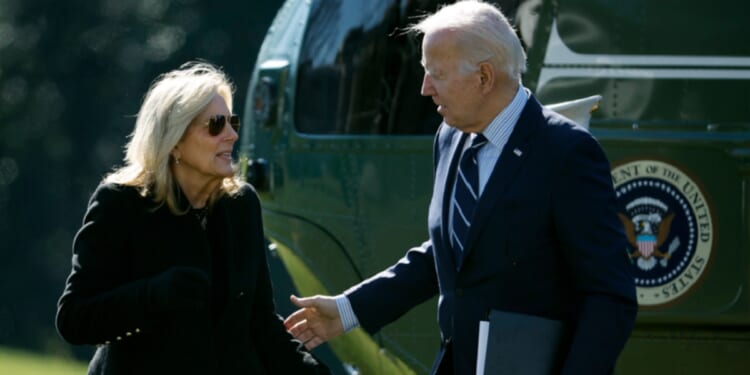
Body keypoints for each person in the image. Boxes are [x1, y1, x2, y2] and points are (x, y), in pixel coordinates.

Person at [284, 1, 637, 374]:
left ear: (484, 77)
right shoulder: (449, 137)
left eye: (436, 73)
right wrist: (348, 309)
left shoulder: (567, 152)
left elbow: (609, 296)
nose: (424, 89)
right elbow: (449, 253)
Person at [56, 62, 329, 374]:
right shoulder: (121, 202)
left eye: (233, 122)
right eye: (215, 124)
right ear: (174, 141)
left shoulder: (241, 204)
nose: (231, 135)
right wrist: (153, 294)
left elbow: (260, 322)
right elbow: (74, 320)